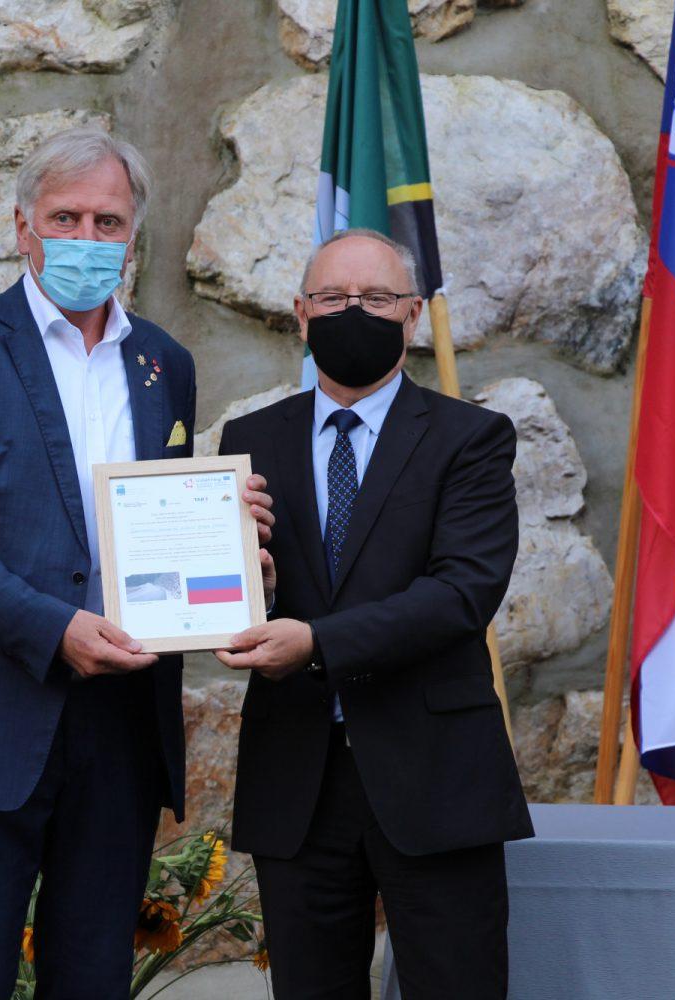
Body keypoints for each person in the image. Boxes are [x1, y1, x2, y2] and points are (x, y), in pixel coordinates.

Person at [0, 126, 273, 999]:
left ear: (133, 238)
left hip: (122, 718)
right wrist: (53, 628)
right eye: (66, 218)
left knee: (93, 978)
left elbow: (156, 525)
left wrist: (234, 554)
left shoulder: (163, 362)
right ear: (24, 227)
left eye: (107, 222)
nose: (87, 238)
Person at [216, 228, 532, 999]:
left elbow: (460, 595)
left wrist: (315, 642)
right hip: (298, 777)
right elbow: (247, 591)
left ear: (413, 315)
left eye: (377, 298)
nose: (353, 312)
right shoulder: (249, 441)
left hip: (434, 775)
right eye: (332, 297)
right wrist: (253, 588)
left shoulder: (471, 439)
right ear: (300, 314)